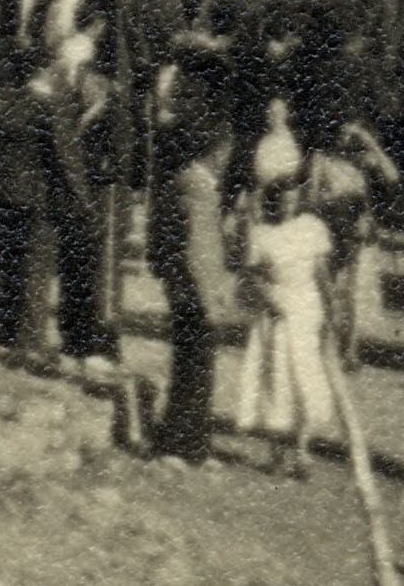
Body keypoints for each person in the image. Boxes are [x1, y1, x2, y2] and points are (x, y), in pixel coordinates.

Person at [144, 85, 237, 462]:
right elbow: (198, 253)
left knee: (189, 364)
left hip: (181, 286)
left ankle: (187, 440)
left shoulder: (178, 182)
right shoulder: (199, 192)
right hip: (196, 290)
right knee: (196, 369)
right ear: (211, 150)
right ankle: (186, 443)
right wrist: (212, 296)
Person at [233, 158, 338, 478]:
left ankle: (303, 451)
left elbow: (321, 273)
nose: (287, 205)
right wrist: (269, 299)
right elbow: (250, 276)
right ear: (272, 201)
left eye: (293, 199)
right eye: (282, 200)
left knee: (305, 377)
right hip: (276, 309)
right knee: (276, 378)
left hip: (307, 306)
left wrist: (333, 310)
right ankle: (278, 453)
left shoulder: (312, 228)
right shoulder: (261, 234)